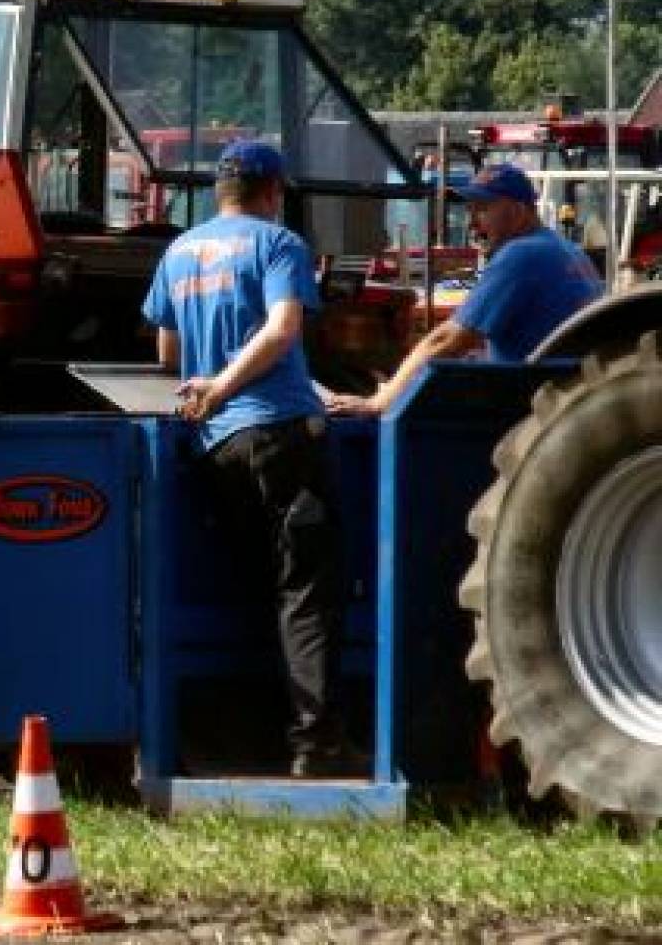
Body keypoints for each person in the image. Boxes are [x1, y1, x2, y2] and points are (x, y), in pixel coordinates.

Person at [142, 140, 355, 777]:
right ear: (273, 192)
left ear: (219, 192)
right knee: (307, 594)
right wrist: (235, 385)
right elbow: (284, 327)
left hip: (218, 446)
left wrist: (213, 385)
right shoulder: (279, 244)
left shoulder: (178, 253)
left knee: (255, 589)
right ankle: (315, 745)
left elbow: (167, 355)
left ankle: (244, 736)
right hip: (282, 436)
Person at [330, 163, 602, 416]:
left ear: (518, 211)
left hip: (529, 406)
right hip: (565, 396)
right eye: (470, 210)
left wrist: (381, 401)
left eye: (482, 209)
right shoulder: (570, 251)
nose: (472, 222)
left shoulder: (522, 254)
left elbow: (447, 341)